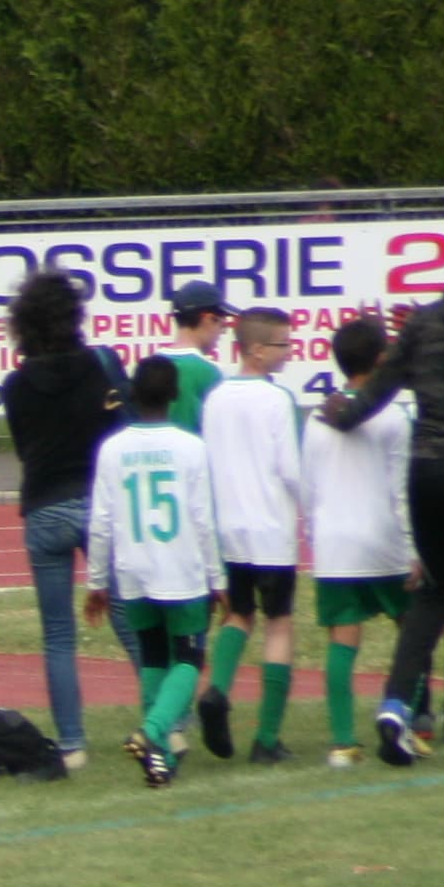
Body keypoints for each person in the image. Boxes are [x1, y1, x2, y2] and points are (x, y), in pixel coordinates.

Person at [316, 275, 444, 765]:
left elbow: (374, 394)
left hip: (428, 467)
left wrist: (341, 415)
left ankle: (395, 706)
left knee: (434, 595)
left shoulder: (423, 323)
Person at [0, 268, 120, 769]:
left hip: (45, 505)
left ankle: (72, 744)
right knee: (130, 619)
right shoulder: (101, 366)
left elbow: (25, 448)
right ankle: (165, 722)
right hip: (98, 501)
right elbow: (120, 429)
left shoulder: (15, 385)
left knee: (57, 635)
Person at [83, 354, 221, 790]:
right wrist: (217, 578)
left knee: (153, 656)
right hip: (179, 567)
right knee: (189, 657)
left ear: (133, 394)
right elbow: (202, 518)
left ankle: (158, 759)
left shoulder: (112, 448)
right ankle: (153, 731)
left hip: (133, 568)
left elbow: (101, 521)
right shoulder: (191, 447)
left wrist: (96, 581)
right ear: (174, 395)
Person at [196, 306, 307, 765]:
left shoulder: (216, 397)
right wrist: (309, 506)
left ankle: (217, 690)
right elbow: (290, 469)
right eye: (283, 344)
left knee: (238, 616)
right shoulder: (276, 399)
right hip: (271, 528)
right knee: (279, 622)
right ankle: (266, 737)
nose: (289, 351)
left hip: (229, 527)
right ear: (257, 350)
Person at [305, 314, 416, 769]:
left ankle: (343, 742)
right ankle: (408, 724)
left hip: (335, 543)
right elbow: (401, 490)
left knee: (343, 640)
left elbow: (309, 486)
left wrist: (316, 536)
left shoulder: (318, 417)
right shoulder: (393, 416)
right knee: (413, 633)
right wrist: (414, 548)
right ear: (382, 357)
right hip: (384, 540)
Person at [163, 280, 229, 432]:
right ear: (208, 319)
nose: (223, 331)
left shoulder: (147, 367)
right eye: (222, 324)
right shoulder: (212, 372)